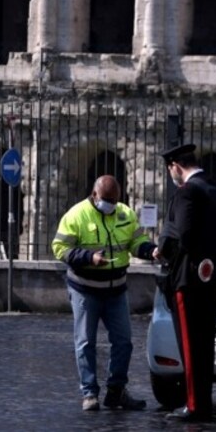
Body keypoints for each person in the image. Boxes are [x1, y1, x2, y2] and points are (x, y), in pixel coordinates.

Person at [52, 175, 157, 412]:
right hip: (85, 289)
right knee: (85, 342)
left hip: (116, 290)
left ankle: (116, 391)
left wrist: (151, 251)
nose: (110, 204)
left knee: (124, 342)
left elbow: (136, 241)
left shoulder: (125, 214)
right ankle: (89, 393)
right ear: (94, 194)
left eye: (114, 199)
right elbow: (59, 248)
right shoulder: (76, 215)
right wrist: (89, 258)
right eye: (106, 199)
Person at [152, 143, 216, 422]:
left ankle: (195, 405)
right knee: (204, 344)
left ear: (175, 165)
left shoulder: (187, 192)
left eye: (170, 169)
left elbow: (184, 236)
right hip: (211, 275)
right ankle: (203, 402)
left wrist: (162, 251)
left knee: (189, 344)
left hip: (187, 276)